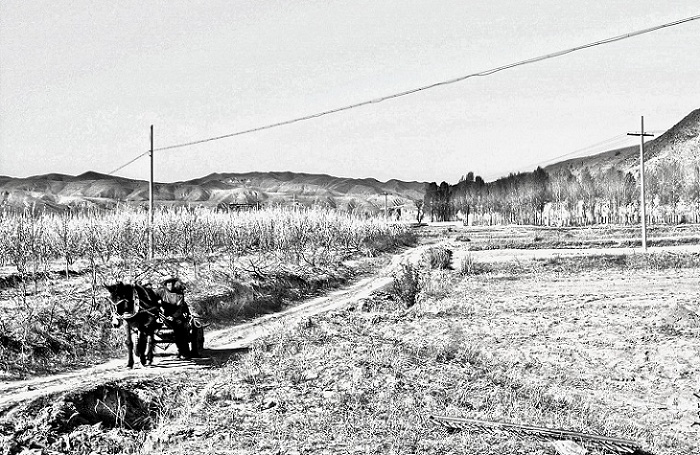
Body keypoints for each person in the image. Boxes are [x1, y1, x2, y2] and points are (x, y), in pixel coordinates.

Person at [155, 276, 192, 359]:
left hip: (176, 316)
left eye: (171, 283)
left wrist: (173, 317)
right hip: (163, 315)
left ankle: (184, 352)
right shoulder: (160, 292)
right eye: (168, 283)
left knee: (180, 329)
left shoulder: (179, 293)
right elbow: (152, 299)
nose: (170, 285)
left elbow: (180, 307)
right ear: (165, 284)